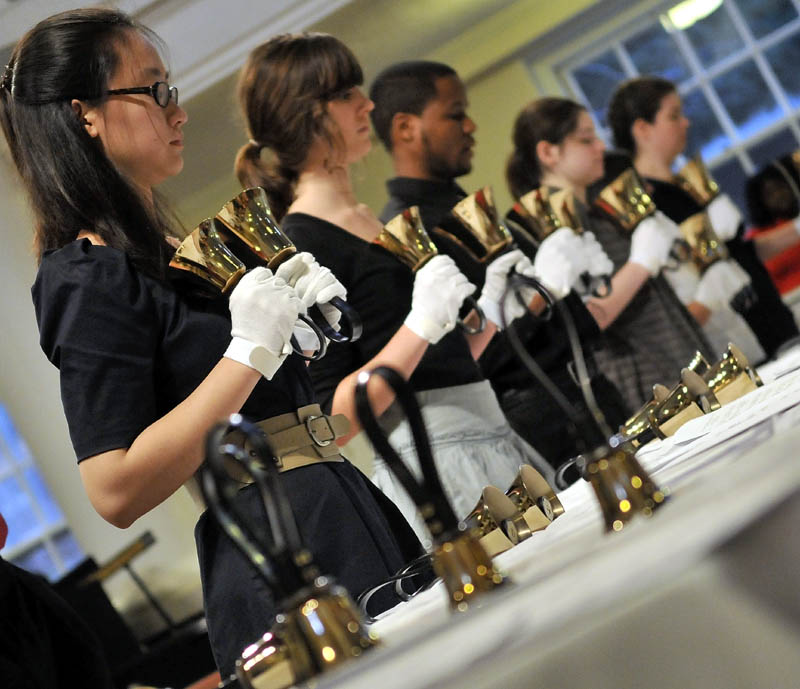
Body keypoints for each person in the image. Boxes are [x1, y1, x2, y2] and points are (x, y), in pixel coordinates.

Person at [2, 9, 423, 678]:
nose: (178, 110)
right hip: (275, 541)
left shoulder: (173, 248)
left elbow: (285, 410)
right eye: (155, 89)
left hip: (335, 498)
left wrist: (299, 340)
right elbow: (112, 488)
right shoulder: (85, 273)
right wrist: (249, 350)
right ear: (86, 114)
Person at [235, 34, 556, 545]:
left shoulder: (368, 219)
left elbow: (438, 359)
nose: (368, 105)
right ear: (305, 115)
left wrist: (490, 309)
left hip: (488, 428)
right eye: (346, 95)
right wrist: (421, 323)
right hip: (436, 461)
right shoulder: (300, 245)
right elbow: (335, 420)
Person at [368, 60, 629, 472]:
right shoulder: (407, 232)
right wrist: (537, 300)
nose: (470, 126)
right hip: (541, 424)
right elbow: (461, 361)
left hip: (586, 392)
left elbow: (569, 327)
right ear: (406, 128)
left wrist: (572, 287)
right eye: (455, 115)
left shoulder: (462, 206)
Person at [506, 97, 713, 410]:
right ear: (549, 152)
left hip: (676, 370)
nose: (600, 147)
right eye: (586, 139)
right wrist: (641, 263)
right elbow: (584, 321)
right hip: (650, 387)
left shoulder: (593, 212)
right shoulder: (551, 228)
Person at [607, 76, 798, 360]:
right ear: (642, 129)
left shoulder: (688, 185)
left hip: (776, 324)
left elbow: (741, 254)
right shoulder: (648, 208)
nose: (686, 123)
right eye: (673, 116)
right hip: (741, 346)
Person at [744, 157, 800, 296]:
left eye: (781, 188)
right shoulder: (756, 237)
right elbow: (769, 267)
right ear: (760, 201)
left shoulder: (793, 220)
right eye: (770, 194)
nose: (779, 195)